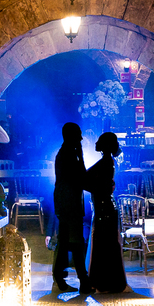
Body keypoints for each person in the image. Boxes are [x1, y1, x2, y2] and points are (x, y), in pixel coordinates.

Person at [52, 122, 92, 293]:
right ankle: (82, 280)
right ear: (72, 136)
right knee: (74, 241)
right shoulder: (69, 155)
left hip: (65, 202)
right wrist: (82, 156)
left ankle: (62, 278)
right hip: (69, 203)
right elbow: (81, 177)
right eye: (78, 135)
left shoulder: (66, 153)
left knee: (67, 241)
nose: (81, 138)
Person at [85, 132, 127, 294]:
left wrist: (92, 188)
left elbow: (86, 178)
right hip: (106, 206)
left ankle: (104, 282)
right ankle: (109, 282)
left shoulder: (106, 162)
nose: (96, 143)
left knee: (104, 246)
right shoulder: (108, 162)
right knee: (107, 245)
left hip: (104, 208)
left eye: (99, 141)